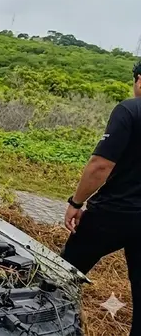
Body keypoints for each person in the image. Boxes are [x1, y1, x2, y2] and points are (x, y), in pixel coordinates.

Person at [61, 61, 141, 335]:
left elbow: (100, 166)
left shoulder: (130, 110)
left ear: (139, 80)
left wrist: (75, 202)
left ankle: (47, 323)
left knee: (64, 274)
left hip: (113, 214)